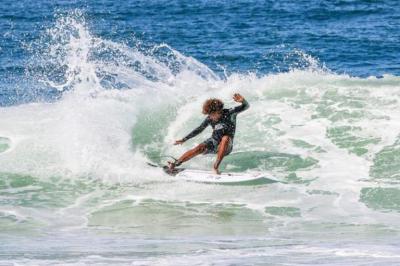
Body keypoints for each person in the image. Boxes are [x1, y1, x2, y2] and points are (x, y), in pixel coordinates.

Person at [169, 93, 249, 174]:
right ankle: (175, 164)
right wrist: (184, 139)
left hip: (226, 146)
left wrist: (243, 101)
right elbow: (199, 129)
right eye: (209, 114)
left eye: (212, 114)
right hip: (214, 142)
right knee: (199, 148)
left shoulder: (230, 113)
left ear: (219, 111)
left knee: (225, 138)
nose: (210, 117)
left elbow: (246, 106)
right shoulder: (210, 118)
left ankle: (215, 167)